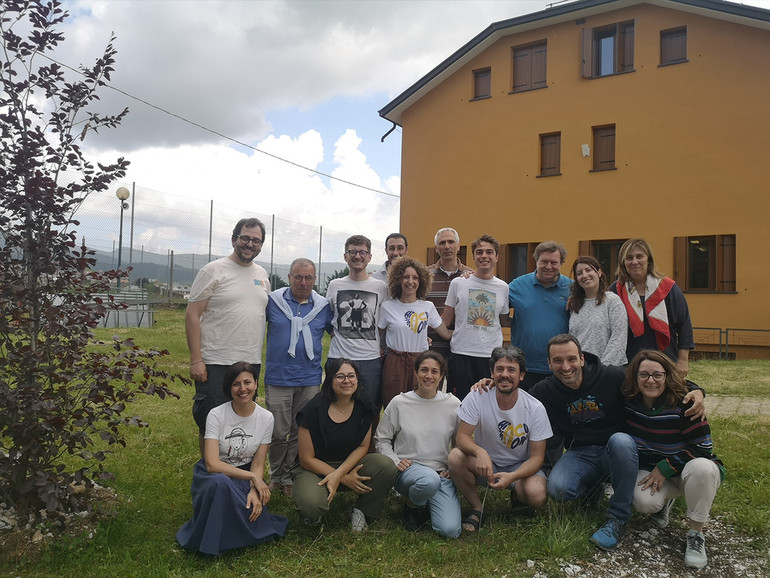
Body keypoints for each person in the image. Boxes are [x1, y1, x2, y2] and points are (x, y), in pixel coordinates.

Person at [529, 334, 704, 552]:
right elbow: (516, 401)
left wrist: (696, 390)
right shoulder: (546, 389)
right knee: (558, 489)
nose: (566, 367)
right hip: (580, 452)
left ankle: (618, 518)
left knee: (620, 440)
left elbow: (652, 379)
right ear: (549, 363)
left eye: (571, 359)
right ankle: (593, 490)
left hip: (619, 451)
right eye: (558, 361)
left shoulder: (611, 376)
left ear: (582, 359)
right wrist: (490, 385)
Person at [622, 350, 724, 569]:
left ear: (667, 376)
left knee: (702, 469)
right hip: (651, 468)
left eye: (657, 375)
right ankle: (664, 503)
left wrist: (665, 468)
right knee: (643, 502)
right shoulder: (629, 402)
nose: (650, 381)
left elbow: (703, 447)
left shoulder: (685, 403)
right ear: (635, 377)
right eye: (644, 375)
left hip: (688, 468)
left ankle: (696, 535)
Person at [176, 362, 288, 556]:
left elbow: (259, 462)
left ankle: (232, 529)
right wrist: (254, 479)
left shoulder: (267, 417)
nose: (242, 388)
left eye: (247, 382)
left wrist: (254, 487)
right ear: (229, 388)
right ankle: (216, 541)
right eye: (236, 384)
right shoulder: (216, 415)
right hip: (214, 476)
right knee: (221, 484)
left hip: (246, 473)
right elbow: (212, 464)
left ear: (255, 384)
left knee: (251, 501)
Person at [186, 217, 270, 454]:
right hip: (215, 361)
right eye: (245, 238)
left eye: (256, 240)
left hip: (250, 361)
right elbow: (192, 315)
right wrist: (196, 359)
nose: (250, 244)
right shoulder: (212, 270)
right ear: (234, 239)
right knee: (210, 420)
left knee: (242, 420)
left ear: (261, 245)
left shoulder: (262, 274)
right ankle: (210, 471)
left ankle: (236, 469)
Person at [448, 346, 552, 533]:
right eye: (500, 369)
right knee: (455, 457)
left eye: (511, 370)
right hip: (486, 464)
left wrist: (512, 477)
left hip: (520, 468)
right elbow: (462, 437)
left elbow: (537, 458)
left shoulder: (535, 408)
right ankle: (477, 507)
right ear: (492, 373)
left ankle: (518, 495)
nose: (505, 375)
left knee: (536, 495)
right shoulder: (477, 396)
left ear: (522, 375)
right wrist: (480, 452)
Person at [292, 358, 397, 531]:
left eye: (351, 376)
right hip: (315, 469)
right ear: (330, 381)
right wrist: (342, 477)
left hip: (349, 464)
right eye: (340, 376)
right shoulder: (313, 410)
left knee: (385, 465)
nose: (346, 381)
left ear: (357, 379)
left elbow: (363, 447)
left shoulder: (365, 406)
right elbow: (306, 459)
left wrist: (341, 474)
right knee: (310, 505)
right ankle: (314, 513)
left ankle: (363, 510)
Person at [375, 351, 462, 538]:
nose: (428, 376)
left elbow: (460, 441)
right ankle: (412, 506)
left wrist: (452, 467)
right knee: (428, 481)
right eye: (423, 370)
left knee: (450, 531)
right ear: (416, 373)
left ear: (441, 376)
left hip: (441, 473)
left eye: (434, 371)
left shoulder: (453, 404)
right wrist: (393, 459)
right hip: (408, 470)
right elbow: (381, 439)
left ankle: (427, 502)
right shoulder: (400, 402)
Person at [264, 258, 332, 497]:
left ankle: (292, 476)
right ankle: (276, 474)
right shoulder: (273, 302)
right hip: (278, 378)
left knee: (300, 431)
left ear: (315, 280)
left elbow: (341, 334)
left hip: (310, 380)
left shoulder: (323, 306)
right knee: (277, 432)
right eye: (298, 277)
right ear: (289, 277)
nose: (303, 282)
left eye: (309, 278)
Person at [610, 238, 694, 376]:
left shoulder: (668, 288)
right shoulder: (616, 290)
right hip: (627, 364)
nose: (634, 261)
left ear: (649, 260)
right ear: (623, 263)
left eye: (639, 256)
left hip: (665, 361)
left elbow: (684, 325)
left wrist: (683, 360)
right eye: (629, 258)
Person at [378, 256, 453, 407]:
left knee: (420, 405)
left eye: (415, 278)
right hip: (395, 363)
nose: (410, 281)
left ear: (421, 281)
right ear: (398, 279)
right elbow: (375, 335)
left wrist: (469, 333)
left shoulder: (428, 307)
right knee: (393, 405)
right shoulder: (387, 307)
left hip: (421, 363)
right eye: (406, 277)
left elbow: (445, 333)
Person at [442, 235, 510, 399]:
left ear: (496, 257)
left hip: (490, 356)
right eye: (479, 252)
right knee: (459, 404)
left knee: (489, 405)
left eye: (489, 252)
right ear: (473, 257)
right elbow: (446, 320)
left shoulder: (503, 287)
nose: (484, 256)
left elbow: (504, 321)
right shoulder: (458, 283)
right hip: (461, 354)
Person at [326, 235, 388, 410]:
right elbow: (325, 315)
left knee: (369, 409)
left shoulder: (381, 287)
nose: (357, 256)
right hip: (339, 357)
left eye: (362, 252)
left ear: (369, 257)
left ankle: (368, 439)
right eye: (352, 252)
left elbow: (387, 318)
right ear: (345, 256)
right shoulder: (334, 285)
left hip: (369, 359)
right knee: (336, 407)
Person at [508, 241, 571, 390]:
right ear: (536, 261)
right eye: (544, 261)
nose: (549, 266)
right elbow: (494, 303)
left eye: (554, 262)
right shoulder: (517, 285)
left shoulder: (573, 288)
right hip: (523, 367)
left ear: (561, 263)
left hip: (560, 367)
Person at [568, 256, 628, 366]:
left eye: (588, 270)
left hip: (607, 370)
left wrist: (602, 368)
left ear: (599, 272)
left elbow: (619, 338)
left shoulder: (612, 301)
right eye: (579, 273)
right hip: (581, 370)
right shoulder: (575, 305)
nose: (585, 275)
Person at [425, 227, 474, 360]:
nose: (447, 246)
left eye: (451, 242)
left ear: (458, 246)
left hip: (462, 350)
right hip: (430, 349)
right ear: (436, 248)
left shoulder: (472, 277)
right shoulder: (423, 276)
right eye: (442, 243)